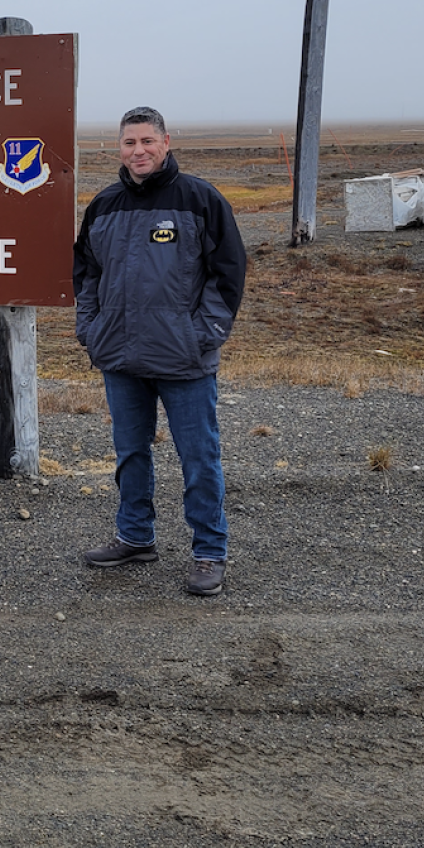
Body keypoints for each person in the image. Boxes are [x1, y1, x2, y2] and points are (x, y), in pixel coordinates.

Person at [72, 106, 247, 596]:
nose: (138, 151)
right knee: (130, 453)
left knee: (199, 458)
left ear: (167, 143)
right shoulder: (104, 206)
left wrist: (202, 333)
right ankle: (134, 536)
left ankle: (209, 552)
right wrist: (92, 327)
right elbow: (86, 273)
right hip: (121, 358)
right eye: (130, 143)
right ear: (118, 148)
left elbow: (229, 273)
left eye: (148, 141)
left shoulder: (199, 200)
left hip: (184, 359)